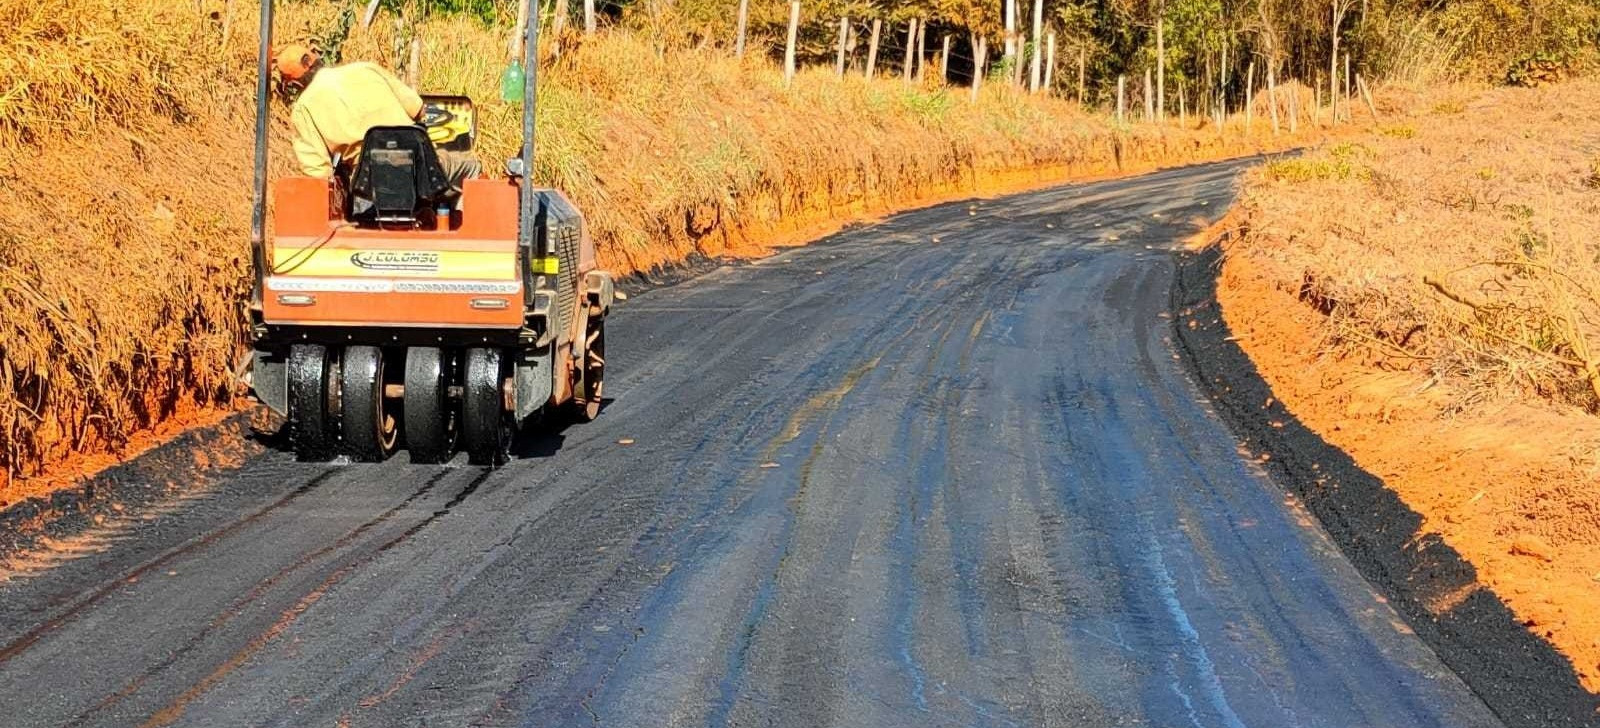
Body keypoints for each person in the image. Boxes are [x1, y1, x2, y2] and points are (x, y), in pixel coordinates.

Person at [275, 44, 480, 186]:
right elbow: (419, 110)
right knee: (471, 168)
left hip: (371, 181)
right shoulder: (366, 69)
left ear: (294, 84)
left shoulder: (303, 109)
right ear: (315, 56)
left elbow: (318, 172)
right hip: (418, 167)